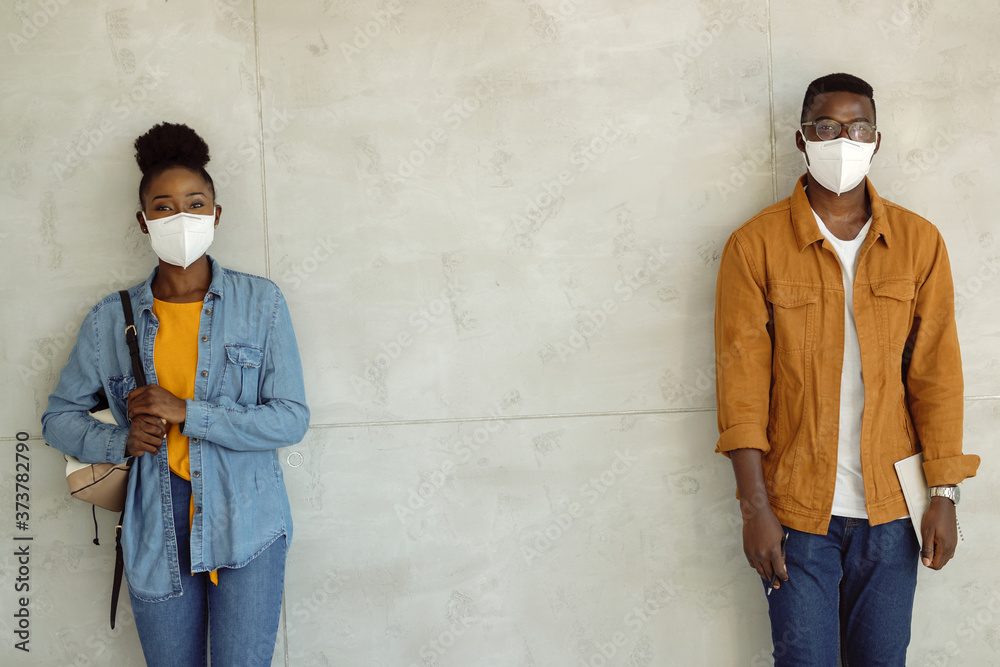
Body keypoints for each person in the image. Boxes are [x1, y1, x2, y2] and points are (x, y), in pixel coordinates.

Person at [714, 73, 980, 665]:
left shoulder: (919, 243)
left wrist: (944, 494)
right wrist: (754, 510)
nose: (844, 139)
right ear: (803, 138)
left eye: (858, 127)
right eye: (828, 127)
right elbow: (742, 391)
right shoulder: (753, 246)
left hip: (892, 514)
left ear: (876, 139)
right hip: (795, 514)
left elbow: (937, 378)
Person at [42, 122, 310, 666]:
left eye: (194, 202)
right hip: (156, 524)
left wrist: (189, 413)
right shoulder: (109, 320)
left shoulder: (261, 303)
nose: (180, 217)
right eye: (163, 207)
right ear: (143, 221)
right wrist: (121, 441)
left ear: (215, 212)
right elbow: (58, 419)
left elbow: (290, 419)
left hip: (248, 519)